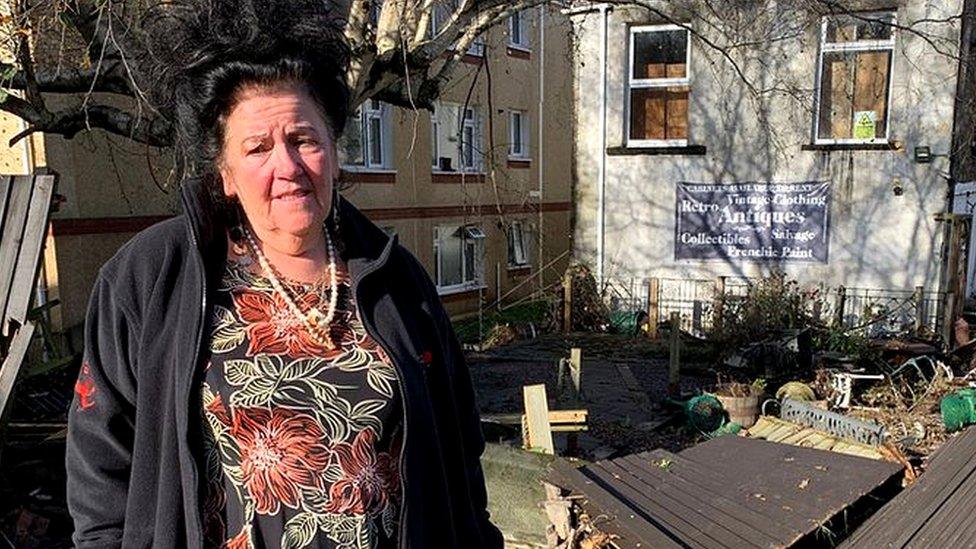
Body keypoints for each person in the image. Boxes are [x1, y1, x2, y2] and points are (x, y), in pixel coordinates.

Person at [65, 2, 503, 547]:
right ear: (225, 172)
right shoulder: (150, 279)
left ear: (335, 154)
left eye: (303, 140)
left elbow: (460, 452)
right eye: (258, 148)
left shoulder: (398, 281)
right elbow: (100, 468)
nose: (287, 167)